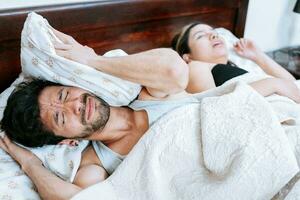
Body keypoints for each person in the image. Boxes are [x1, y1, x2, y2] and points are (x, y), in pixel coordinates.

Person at [1, 27, 300, 200]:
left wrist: (94, 61)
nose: (76, 106)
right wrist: (27, 162)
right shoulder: (95, 164)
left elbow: (173, 69)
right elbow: (73, 199)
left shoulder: (145, 92)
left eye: (66, 95)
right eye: (62, 118)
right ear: (66, 142)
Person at [171, 22, 298, 98]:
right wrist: (272, 84)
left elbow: (293, 84)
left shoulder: (236, 69)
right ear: (187, 56)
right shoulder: (195, 66)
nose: (213, 35)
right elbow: (212, 107)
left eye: (214, 32)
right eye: (200, 36)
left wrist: (258, 55)